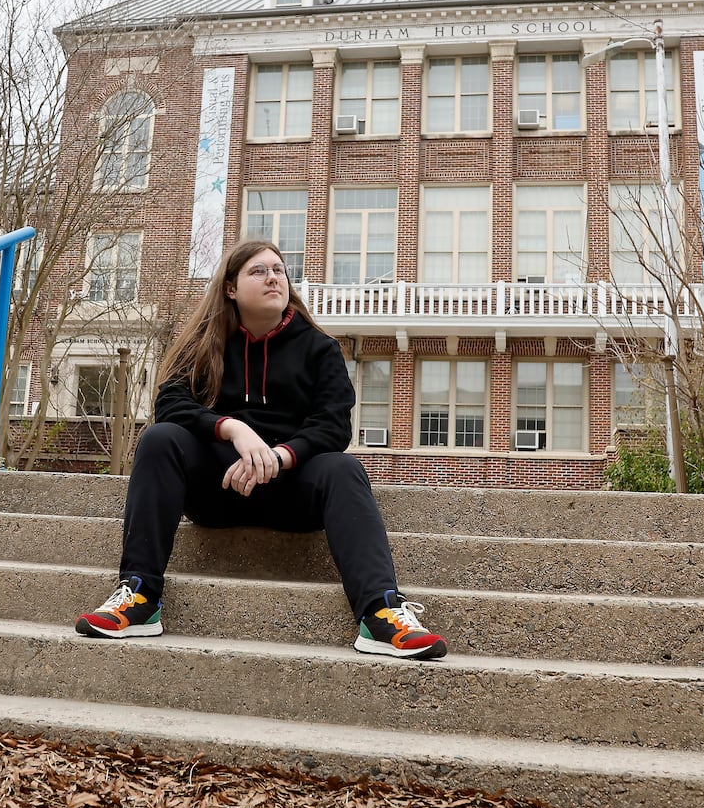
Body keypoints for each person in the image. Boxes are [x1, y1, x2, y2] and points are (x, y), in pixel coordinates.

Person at [74, 238, 448, 661]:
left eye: (279, 269)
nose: (274, 277)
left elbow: (333, 425)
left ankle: (381, 611)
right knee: (160, 438)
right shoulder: (203, 342)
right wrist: (233, 430)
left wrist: (279, 456)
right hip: (219, 490)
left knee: (343, 467)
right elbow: (170, 404)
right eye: (258, 270)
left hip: (292, 494)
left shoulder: (320, 348)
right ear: (231, 288)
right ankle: (140, 596)